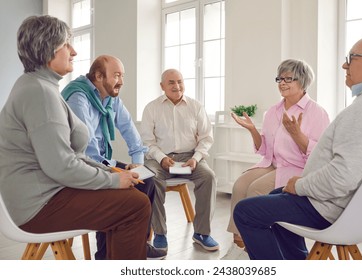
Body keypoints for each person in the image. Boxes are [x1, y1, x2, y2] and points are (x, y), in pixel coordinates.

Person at [233, 30, 362, 260]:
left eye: (352, 58)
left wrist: (300, 186)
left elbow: (341, 178)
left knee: (246, 212)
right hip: (346, 204)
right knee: (274, 194)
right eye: (280, 78)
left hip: (329, 206)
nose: (343, 65)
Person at [0, 15, 150, 260]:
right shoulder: (40, 93)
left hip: (42, 194)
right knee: (135, 205)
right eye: (66, 44)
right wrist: (112, 181)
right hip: (38, 205)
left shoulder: (40, 86)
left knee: (132, 195)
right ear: (48, 48)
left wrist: (114, 174)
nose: (74, 51)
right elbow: (61, 165)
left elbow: (72, 156)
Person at [61, 55, 166, 260]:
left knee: (146, 180)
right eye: (117, 75)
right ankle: (104, 255)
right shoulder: (78, 98)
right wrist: (116, 171)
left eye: (122, 75)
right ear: (99, 76)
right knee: (118, 191)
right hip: (80, 165)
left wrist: (137, 164)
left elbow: (130, 131)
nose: (122, 81)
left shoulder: (110, 98)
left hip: (100, 161)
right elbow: (86, 151)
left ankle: (139, 245)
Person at [226, 59, 330, 250]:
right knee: (240, 185)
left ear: (303, 81)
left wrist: (297, 135)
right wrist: (253, 131)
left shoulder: (317, 113)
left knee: (255, 190)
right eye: (279, 78)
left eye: (288, 79)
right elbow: (265, 150)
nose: (282, 83)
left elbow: (320, 156)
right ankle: (239, 245)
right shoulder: (273, 111)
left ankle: (254, 246)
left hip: (297, 168)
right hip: (272, 163)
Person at [140, 69, 219, 251]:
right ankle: (160, 233)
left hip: (190, 157)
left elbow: (206, 138)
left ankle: (202, 233)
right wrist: (161, 158)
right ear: (162, 86)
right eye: (171, 83)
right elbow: (147, 142)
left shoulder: (196, 106)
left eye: (180, 81)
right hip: (159, 157)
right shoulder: (151, 108)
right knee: (151, 178)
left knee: (208, 177)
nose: (177, 86)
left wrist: (196, 158)